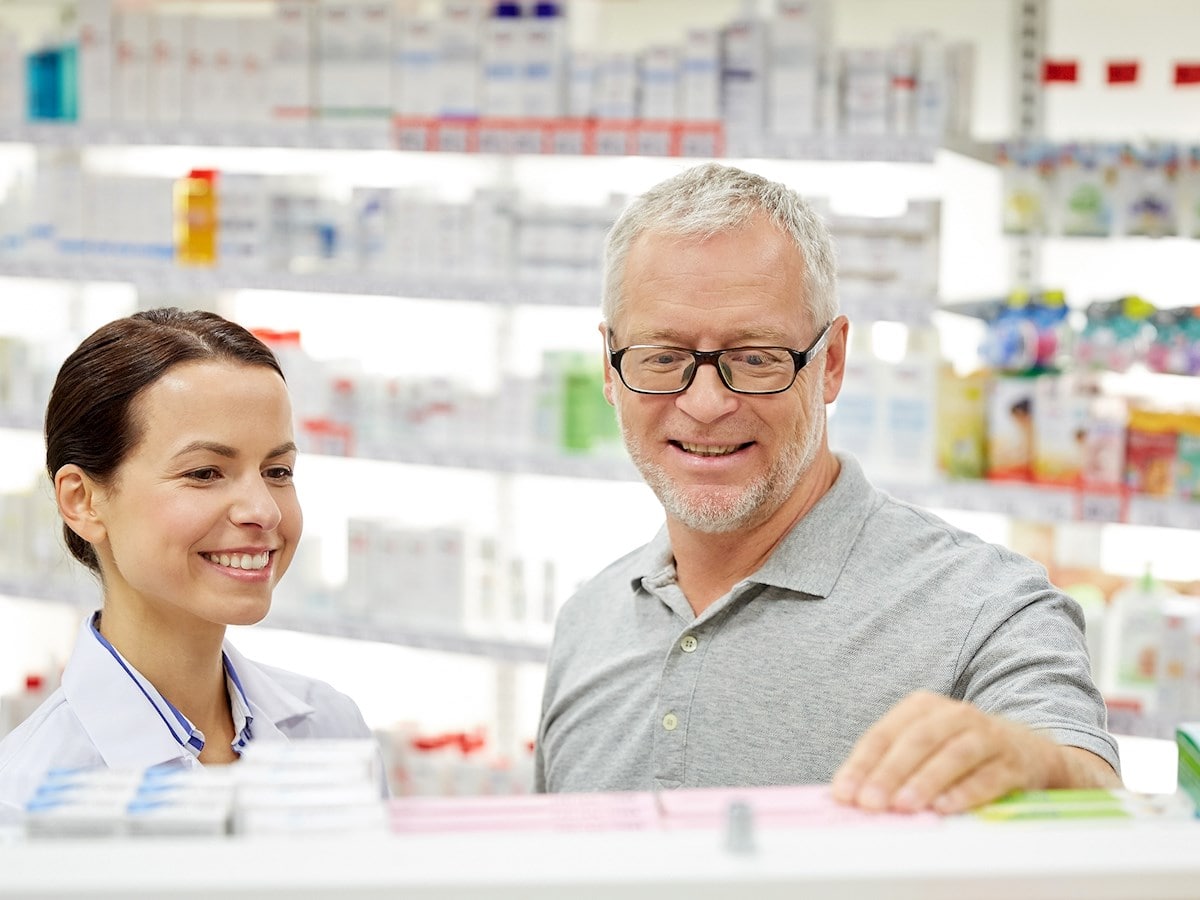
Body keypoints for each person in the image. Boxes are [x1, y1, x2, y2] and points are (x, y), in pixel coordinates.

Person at [534, 163, 1121, 813]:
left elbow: (1091, 785)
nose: (705, 402)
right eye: (663, 358)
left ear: (832, 362)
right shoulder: (586, 623)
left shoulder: (988, 607)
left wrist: (1035, 762)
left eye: (755, 357)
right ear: (611, 369)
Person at [0, 307, 379, 817]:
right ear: (82, 501)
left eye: (278, 470)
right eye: (204, 473)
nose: (263, 510)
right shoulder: (22, 798)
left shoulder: (333, 731)